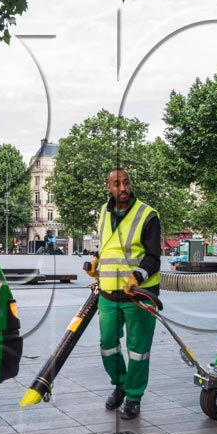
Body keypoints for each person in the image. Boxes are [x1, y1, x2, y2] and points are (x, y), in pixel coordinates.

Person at [84, 168, 161, 419]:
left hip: (137, 295)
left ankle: (134, 396)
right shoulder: (104, 214)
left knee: (138, 350)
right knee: (108, 345)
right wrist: (96, 260)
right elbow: (107, 246)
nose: (123, 188)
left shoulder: (147, 215)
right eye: (117, 184)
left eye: (126, 183)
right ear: (109, 188)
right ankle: (120, 384)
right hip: (108, 295)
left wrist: (137, 276)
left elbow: (153, 258)